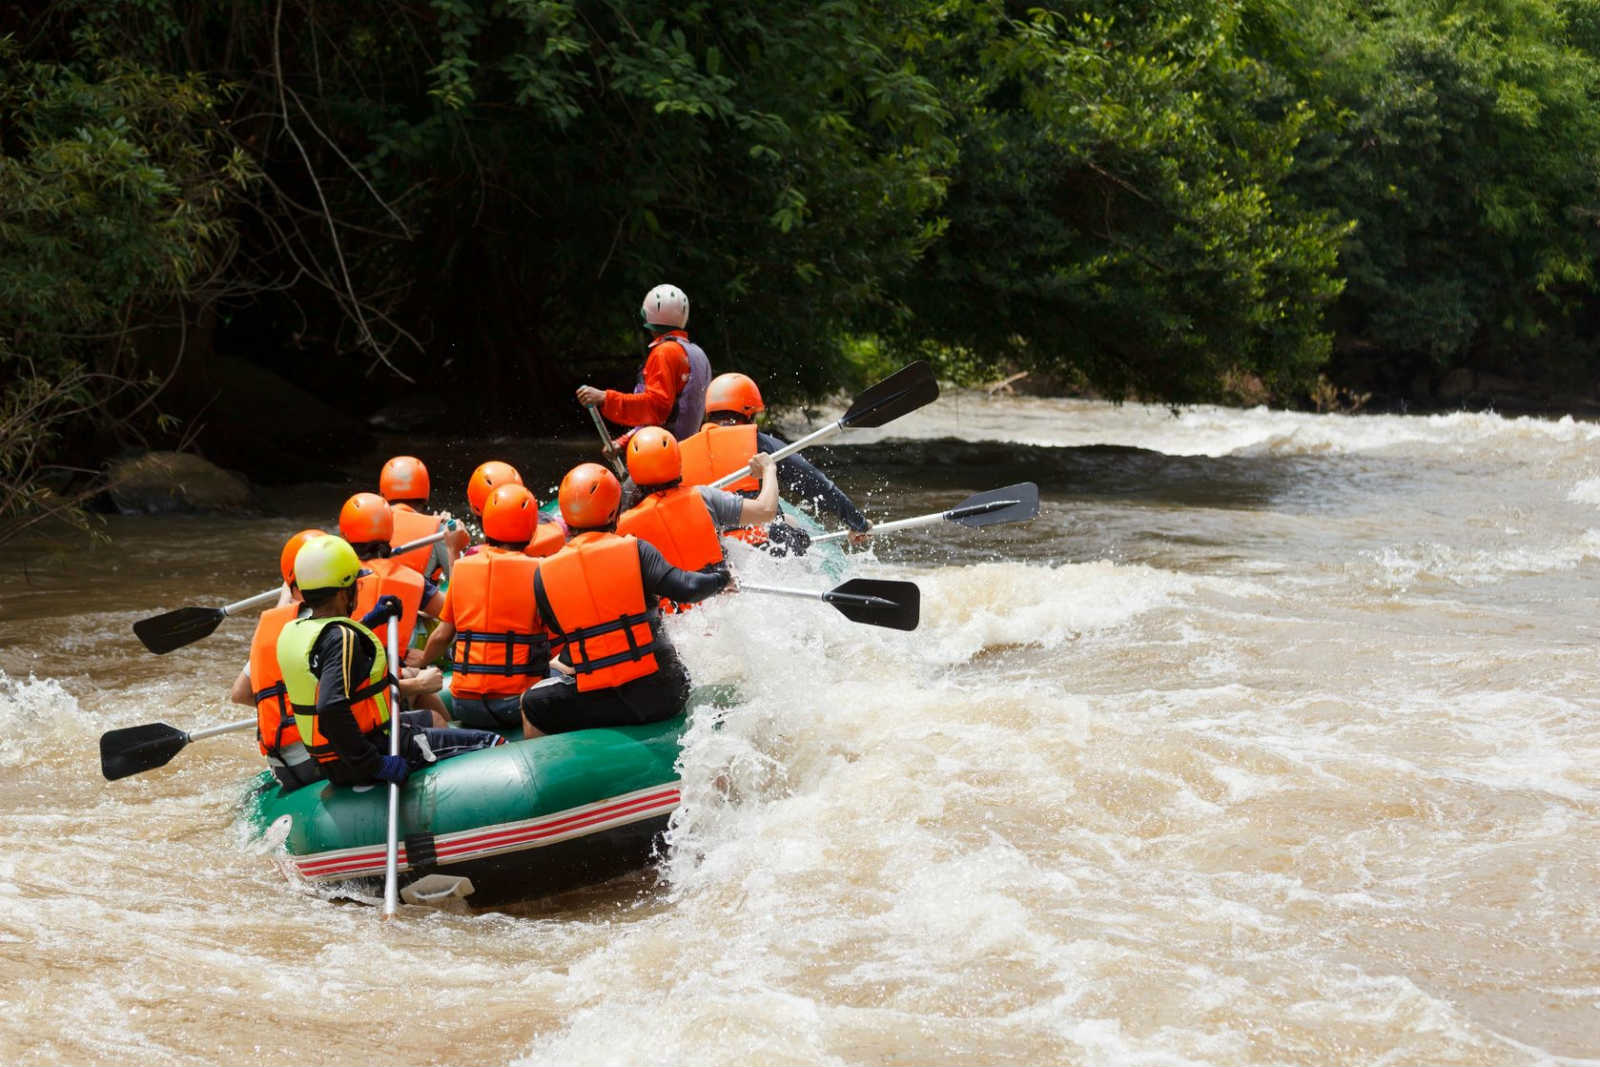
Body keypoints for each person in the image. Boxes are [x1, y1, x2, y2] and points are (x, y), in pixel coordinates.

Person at [519, 463, 731, 739]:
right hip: (663, 693)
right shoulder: (636, 550)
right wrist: (721, 577)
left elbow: (557, 627)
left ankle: (554, 774)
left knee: (531, 703)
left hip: (598, 697)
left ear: (566, 516)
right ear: (614, 511)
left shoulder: (543, 572)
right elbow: (687, 588)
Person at [276, 536, 503, 789]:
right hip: (369, 754)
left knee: (434, 722)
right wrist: (375, 764)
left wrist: (372, 620)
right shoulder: (340, 638)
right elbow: (330, 707)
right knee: (493, 743)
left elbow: (328, 653)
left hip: (333, 760)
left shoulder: (295, 631)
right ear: (344, 592)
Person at [410, 484, 558, 731]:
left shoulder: (463, 567)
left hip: (464, 705)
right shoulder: (540, 570)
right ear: (532, 529)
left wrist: (423, 658)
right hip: (516, 703)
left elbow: (442, 635)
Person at [680, 372, 872, 548]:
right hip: (760, 546)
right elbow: (814, 483)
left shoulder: (681, 451)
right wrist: (857, 522)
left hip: (714, 549)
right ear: (749, 414)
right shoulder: (758, 443)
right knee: (789, 523)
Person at [616, 428, 778, 597]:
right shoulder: (703, 497)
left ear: (633, 471)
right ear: (677, 461)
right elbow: (766, 511)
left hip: (673, 618)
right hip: (718, 598)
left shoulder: (622, 529)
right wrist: (768, 468)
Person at [340, 492, 450, 725]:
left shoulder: (331, 581)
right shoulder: (410, 580)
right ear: (390, 532)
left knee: (418, 687)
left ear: (344, 534)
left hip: (350, 684)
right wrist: (426, 657)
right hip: (380, 689)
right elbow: (453, 613)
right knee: (438, 718)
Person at [228, 528, 326, 790]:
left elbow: (239, 693)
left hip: (282, 765)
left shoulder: (270, 629)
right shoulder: (329, 627)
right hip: (322, 758)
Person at [575, 284, 712, 443]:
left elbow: (655, 409)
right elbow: (668, 413)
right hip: (689, 448)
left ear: (649, 317)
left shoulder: (664, 352)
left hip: (666, 453)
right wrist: (624, 441)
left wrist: (605, 398)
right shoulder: (697, 354)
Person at [378, 455, 464, 581]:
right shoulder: (437, 530)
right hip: (415, 598)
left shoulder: (366, 522)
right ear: (426, 495)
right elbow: (461, 584)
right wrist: (447, 536)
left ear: (381, 494)